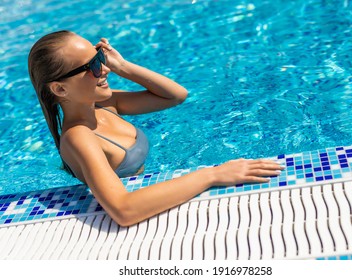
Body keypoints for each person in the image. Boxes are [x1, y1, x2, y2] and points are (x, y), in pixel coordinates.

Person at [28, 30, 284, 227]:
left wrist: (124, 67)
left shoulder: (105, 104)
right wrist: (212, 175)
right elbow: (123, 210)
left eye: (99, 57)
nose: (104, 68)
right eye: (92, 66)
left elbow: (175, 96)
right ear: (60, 89)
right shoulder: (79, 138)